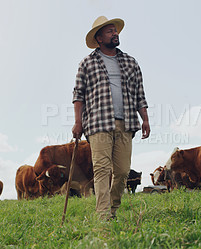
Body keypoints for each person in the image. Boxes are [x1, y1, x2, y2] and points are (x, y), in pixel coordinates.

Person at [72, 16, 150, 220]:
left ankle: (113, 208)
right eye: (109, 31)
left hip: (126, 123)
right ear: (99, 38)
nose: (115, 34)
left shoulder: (130, 62)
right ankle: (103, 215)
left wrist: (145, 119)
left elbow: (140, 93)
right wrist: (78, 122)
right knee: (101, 169)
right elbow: (78, 95)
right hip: (98, 123)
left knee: (123, 171)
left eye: (115, 31)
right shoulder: (87, 63)